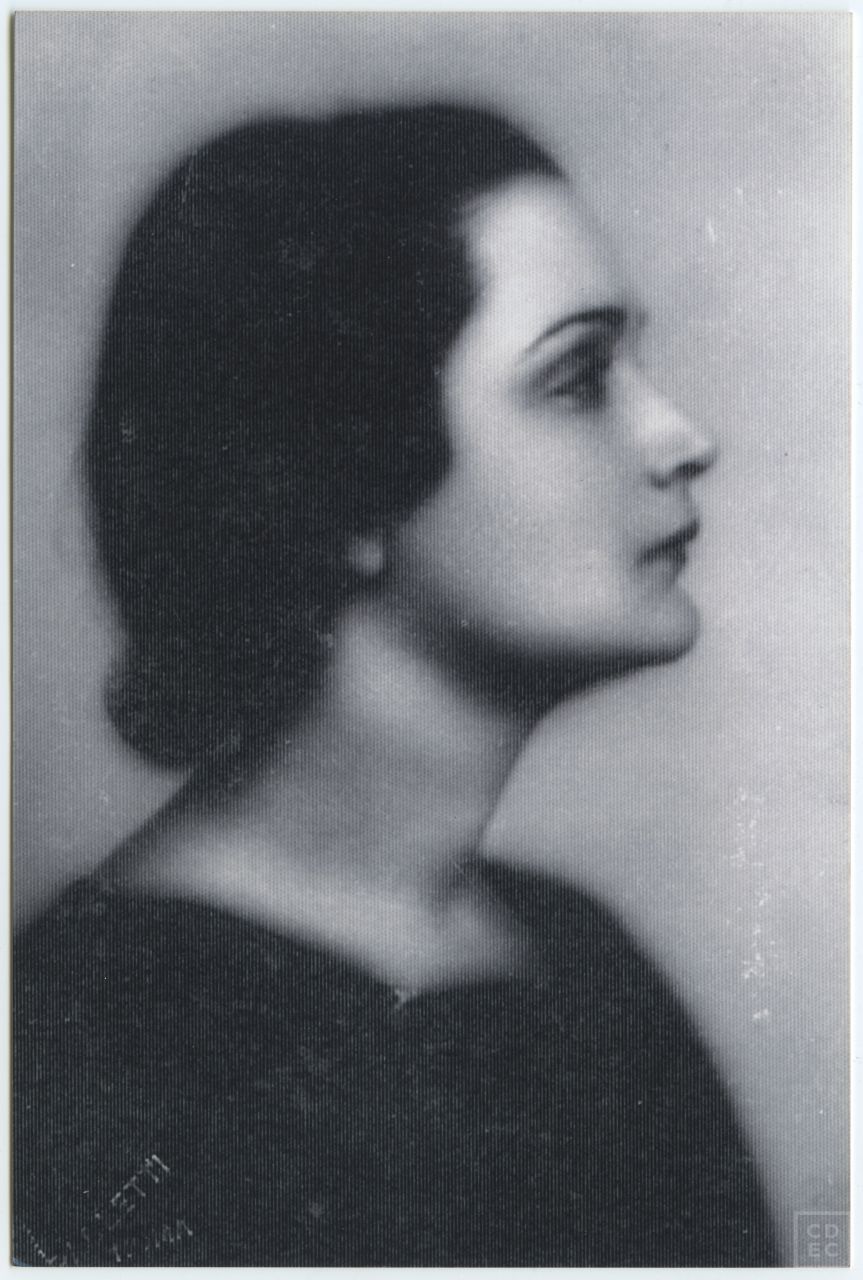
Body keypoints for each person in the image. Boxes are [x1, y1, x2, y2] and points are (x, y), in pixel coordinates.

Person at [13, 103, 779, 1266]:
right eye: (577, 376)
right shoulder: (87, 1032)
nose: (680, 436)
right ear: (337, 473)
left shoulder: (580, 960)